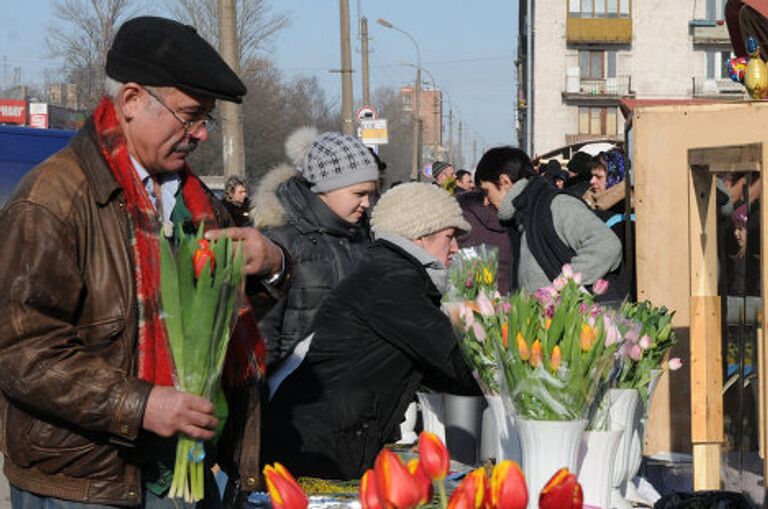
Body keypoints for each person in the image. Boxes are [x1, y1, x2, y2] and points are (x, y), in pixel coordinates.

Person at [0, 16, 287, 508]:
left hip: (190, 472)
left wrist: (272, 264)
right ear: (132, 101)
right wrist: (140, 403)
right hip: (90, 485)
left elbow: (215, 330)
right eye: (189, 115)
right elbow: (22, 352)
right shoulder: (54, 198)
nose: (199, 135)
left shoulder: (198, 201)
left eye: (205, 120)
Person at [262, 183, 481, 480]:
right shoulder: (392, 281)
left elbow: (430, 367)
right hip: (316, 446)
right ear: (419, 236)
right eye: (450, 236)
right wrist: (509, 373)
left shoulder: (389, 270)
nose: (456, 248)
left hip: (324, 434)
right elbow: (454, 362)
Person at [252, 127, 379, 370]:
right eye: (359, 193)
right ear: (325, 188)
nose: (366, 203)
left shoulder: (363, 235)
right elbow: (262, 332)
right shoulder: (279, 240)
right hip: (296, 394)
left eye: (370, 194)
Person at [474, 146, 622, 295]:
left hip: (573, 315)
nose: (486, 202)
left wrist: (558, 290)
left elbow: (606, 245)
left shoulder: (554, 204)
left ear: (504, 181)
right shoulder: (524, 214)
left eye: (486, 192)